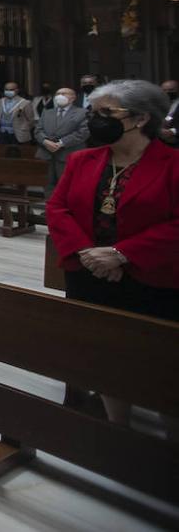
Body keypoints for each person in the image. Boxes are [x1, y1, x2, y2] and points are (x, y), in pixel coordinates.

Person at [47, 80, 179, 427]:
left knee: (155, 364)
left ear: (139, 119)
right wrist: (88, 253)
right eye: (94, 112)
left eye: (107, 113)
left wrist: (122, 254)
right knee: (102, 358)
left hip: (151, 281)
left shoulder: (172, 164)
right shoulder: (81, 160)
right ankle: (116, 426)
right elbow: (58, 208)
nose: (96, 120)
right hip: (89, 275)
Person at [33, 86, 89, 196]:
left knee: (67, 185)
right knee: (48, 184)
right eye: (58, 93)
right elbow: (38, 130)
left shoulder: (82, 112)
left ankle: (65, 210)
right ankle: (49, 209)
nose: (59, 96)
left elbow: (83, 133)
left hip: (68, 154)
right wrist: (45, 141)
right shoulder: (47, 112)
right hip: (47, 154)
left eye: (64, 93)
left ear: (73, 98)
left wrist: (61, 143)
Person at [0, 81, 34, 145]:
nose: (8, 91)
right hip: (2, 133)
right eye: (6, 89)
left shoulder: (25, 103)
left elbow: (31, 120)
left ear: (17, 90)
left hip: (18, 134)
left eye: (11, 90)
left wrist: (23, 128)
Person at [160, 79, 177, 148]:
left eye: (171, 90)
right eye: (164, 90)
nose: (167, 92)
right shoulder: (158, 104)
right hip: (161, 141)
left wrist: (173, 131)